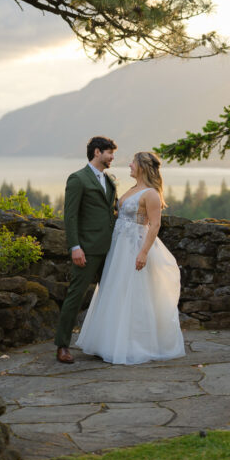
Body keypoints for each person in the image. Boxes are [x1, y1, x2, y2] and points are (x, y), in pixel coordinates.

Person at [76, 150, 184, 365]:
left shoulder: (151, 194)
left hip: (135, 246)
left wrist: (143, 252)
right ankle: (109, 341)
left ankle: (134, 344)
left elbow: (155, 225)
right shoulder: (134, 189)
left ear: (142, 166)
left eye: (133, 163)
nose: (130, 166)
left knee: (134, 294)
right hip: (119, 247)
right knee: (115, 290)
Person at [55, 135, 118, 364]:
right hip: (87, 250)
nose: (112, 158)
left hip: (111, 249)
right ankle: (62, 346)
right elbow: (70, 216)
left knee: (110, 296)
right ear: (97, 152)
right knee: (76, 295)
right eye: (110, 153)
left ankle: (105, 343)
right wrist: (75, 247)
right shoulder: (78, 179)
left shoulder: (109, 180)